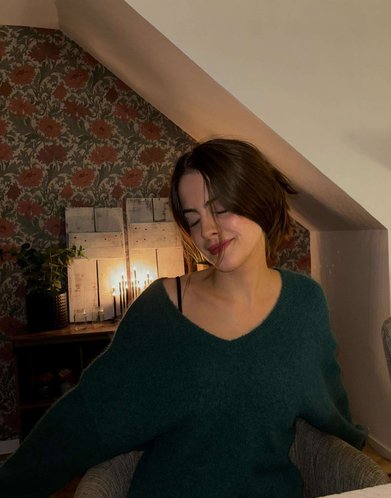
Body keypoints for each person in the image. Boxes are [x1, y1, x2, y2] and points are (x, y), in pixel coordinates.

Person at [0, 138, 366, 497]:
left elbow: (330, 407)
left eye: (220, 209)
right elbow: (88, 415)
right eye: (194, 220)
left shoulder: (305, 302)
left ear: (258, 198)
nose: (207, 231)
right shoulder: (161, 310)